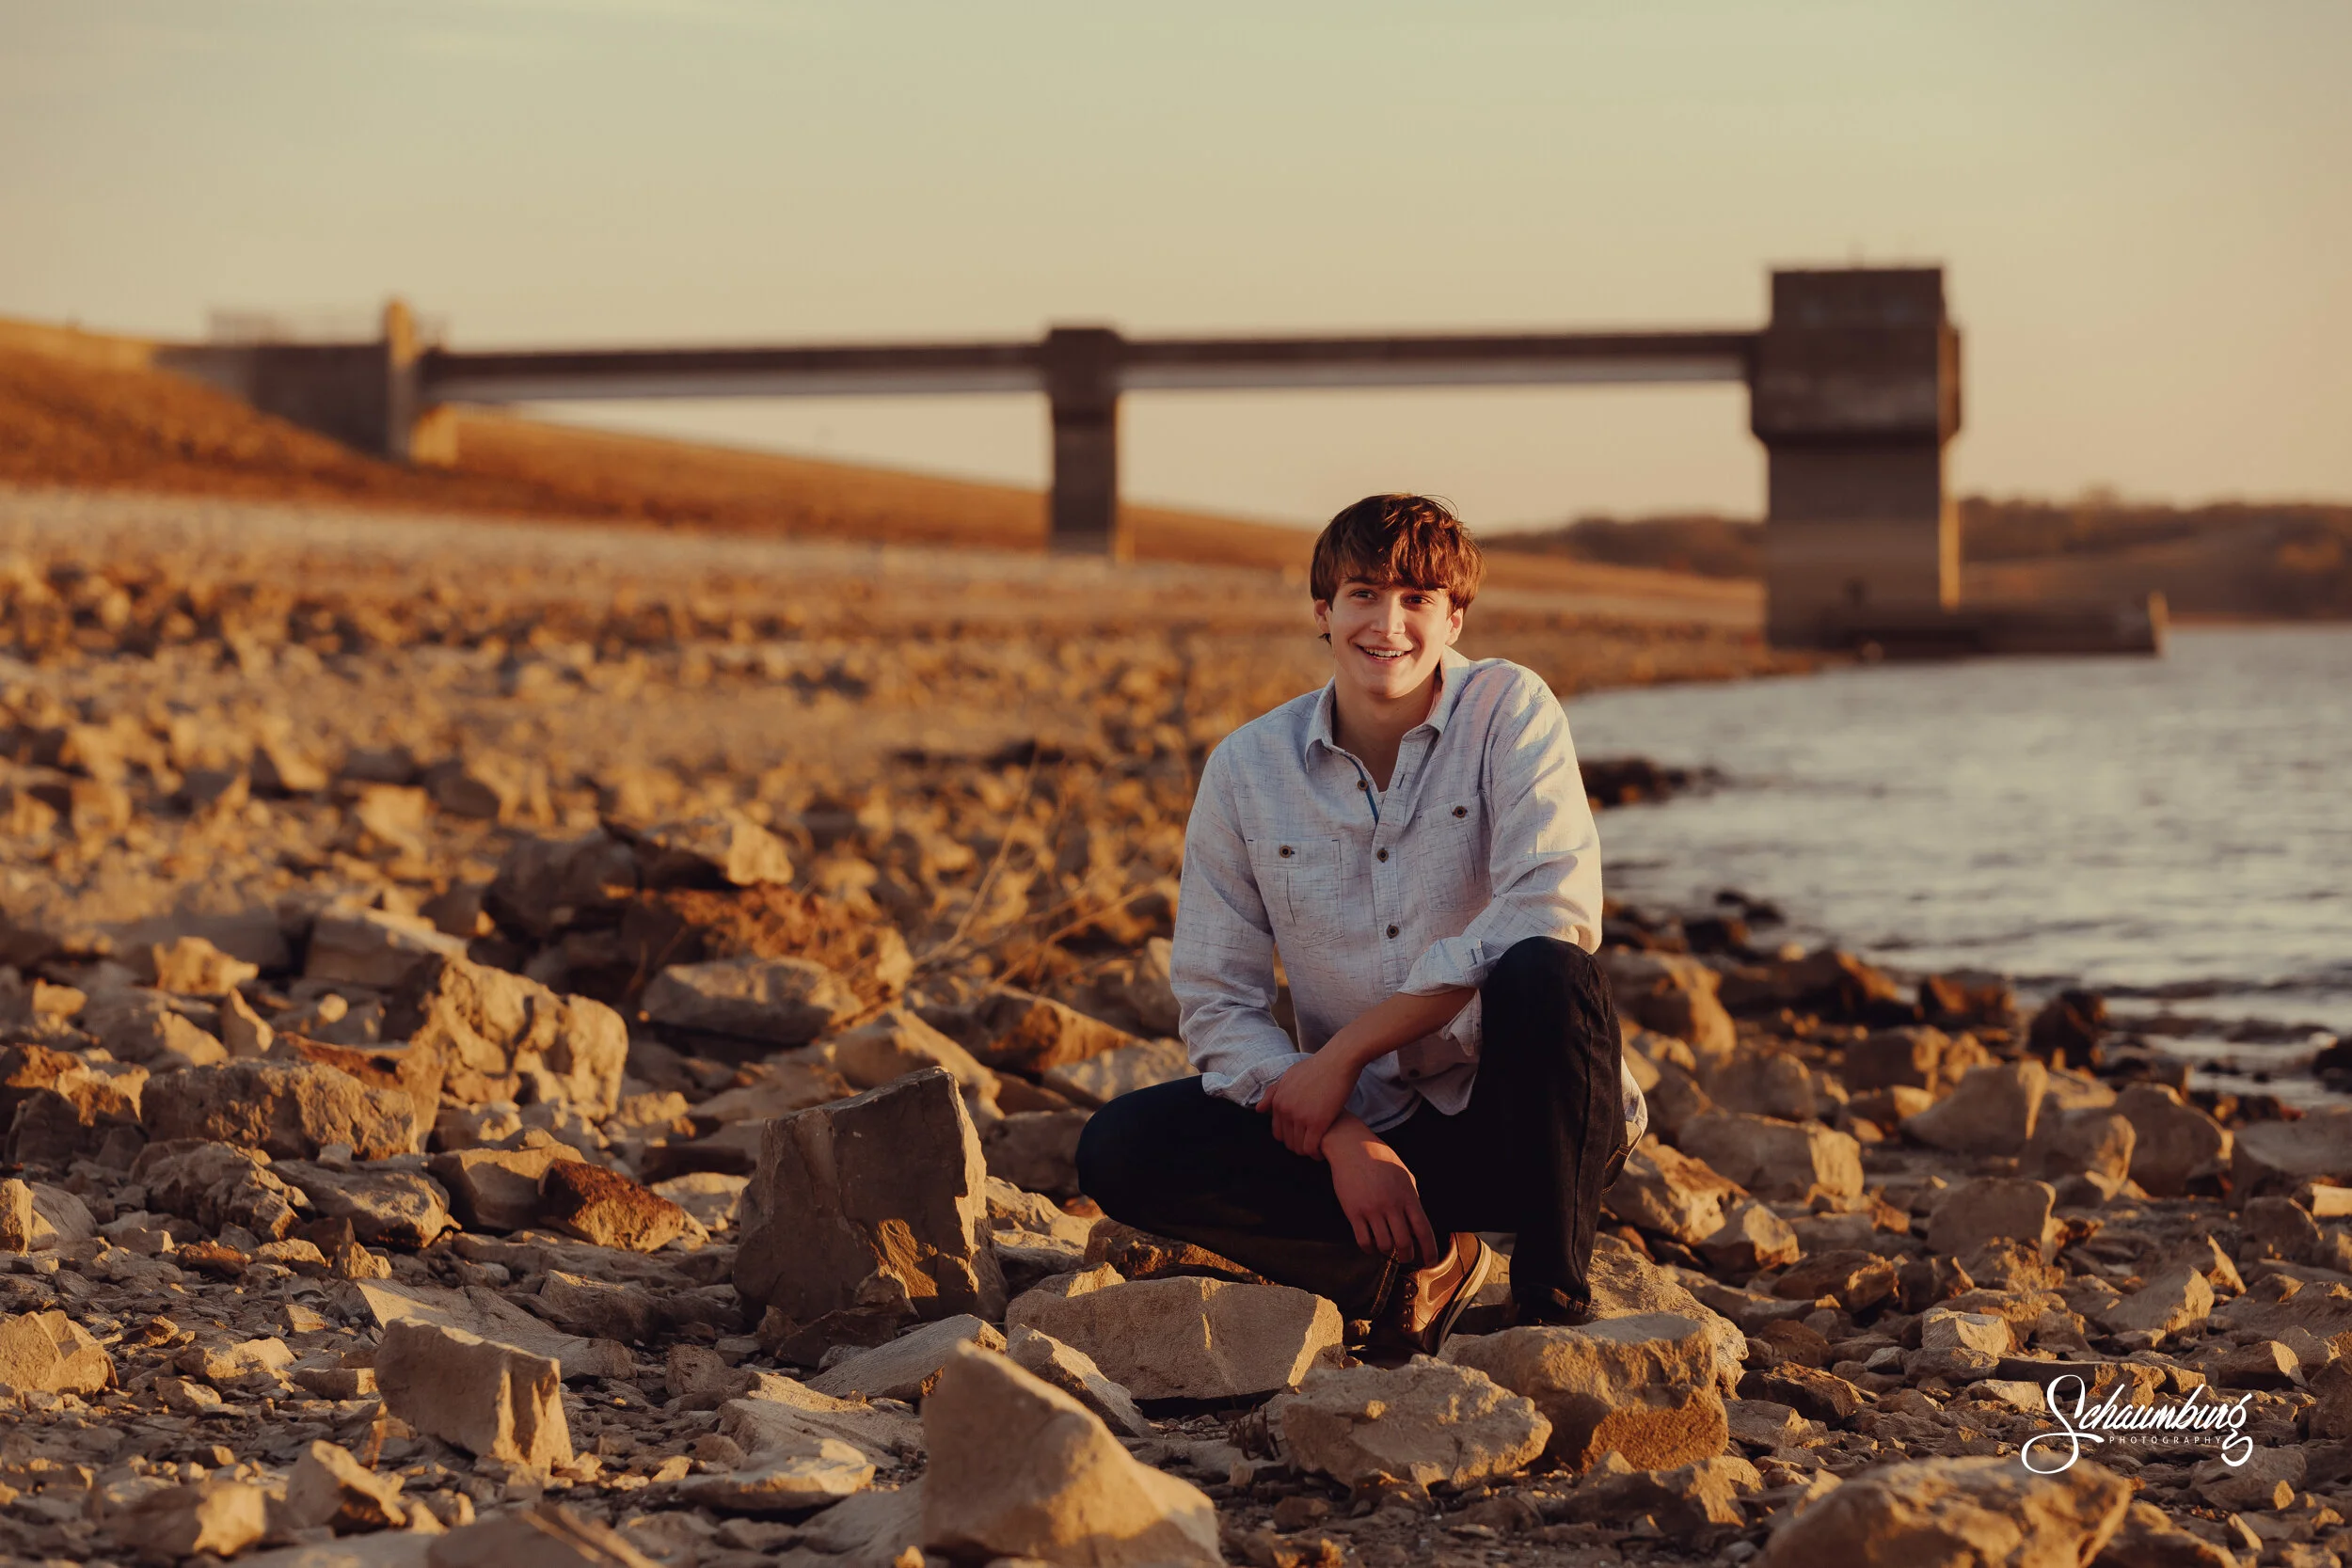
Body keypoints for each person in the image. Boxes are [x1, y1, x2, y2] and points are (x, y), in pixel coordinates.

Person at [1076, 493, 1647, 1356]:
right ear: (1323, 612)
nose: (1389, 624)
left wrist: (1341, 1054)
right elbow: (1217, 999)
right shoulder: (1247, 770)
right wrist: (1341, 1135)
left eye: (1418, 599)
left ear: (1454, 619)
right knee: (1121, 1147)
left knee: (1550, 971)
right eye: (1364, 595)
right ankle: (1409, 1271)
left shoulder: (1509, 708)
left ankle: (1547, 1312)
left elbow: (1553, 907)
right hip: (1367, 1130)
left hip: (1529, 1127)